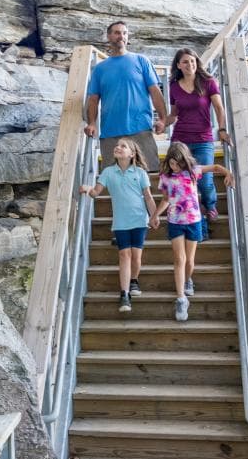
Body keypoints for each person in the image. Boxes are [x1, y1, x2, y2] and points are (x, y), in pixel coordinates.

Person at [153, 141, 233, 321]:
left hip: (194, 221)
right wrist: (155, 215)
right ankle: (181, 299)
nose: (175, 166)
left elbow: (216, 167)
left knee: (189, 261)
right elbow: (166, 199)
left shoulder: (193, 171)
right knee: (179, 259)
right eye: (172, 163)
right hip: (175, 221)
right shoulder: (165, 177)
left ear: (185, 161)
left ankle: (188, 279)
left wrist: (228, 173)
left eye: (178, 163)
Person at [80, 139, 158, 313]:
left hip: (139, 220)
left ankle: (134, 280)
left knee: (136, 256)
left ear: (132, 154)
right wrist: (87, 188)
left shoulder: (140, 173)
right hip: (121, 222)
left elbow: (148, 197)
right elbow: (96, 193)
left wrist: (154, 216)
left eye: (123, 146)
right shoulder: (108, 172)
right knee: (124, 254)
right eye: (117, 145)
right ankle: (125, 294)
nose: (118, 147)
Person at [83, 21, 168, 169]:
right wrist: (91, 123)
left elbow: (155, 92)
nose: (121, 36)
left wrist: (162, 119)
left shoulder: (141, 61)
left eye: (124, 33)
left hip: (140, 130)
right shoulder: (99, 69)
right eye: (117, 33)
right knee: (112, 178)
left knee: (148, 175)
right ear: (109, 36)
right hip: (110, 133)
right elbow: (93, 99)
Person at [164, 47, 231, 225]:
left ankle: (210, 205)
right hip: (180, 140)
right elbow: (174, 115)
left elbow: (219, 108)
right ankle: (190, 212)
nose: (190, 64)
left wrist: (222, 130)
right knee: (180, 180)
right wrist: (163, 123)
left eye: (192, 61)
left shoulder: (208, 82)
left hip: (203, 139)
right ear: (178, 65)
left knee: (205, 182)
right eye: (185, 62)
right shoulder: (174, 86)